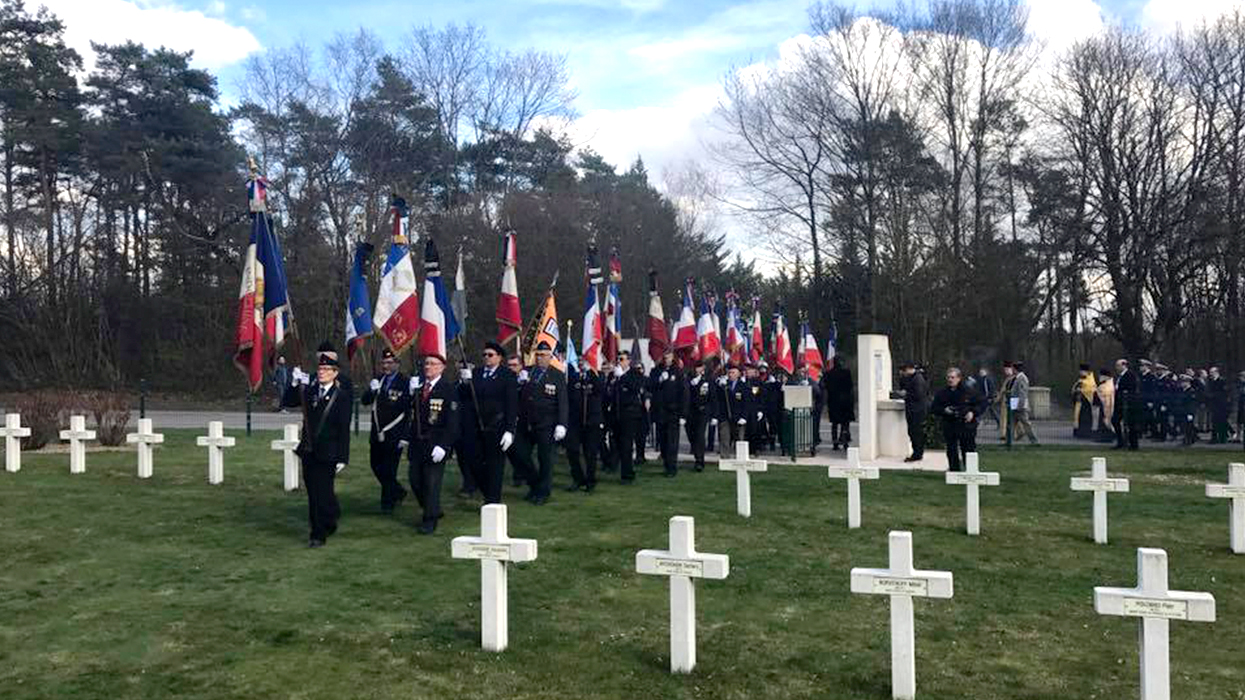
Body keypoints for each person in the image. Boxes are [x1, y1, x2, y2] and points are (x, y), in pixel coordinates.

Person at [290, 342, 352, 548]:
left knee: (322, 492)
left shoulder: (341, 396)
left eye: (327, 369)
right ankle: (324, 523)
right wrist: (293, 383)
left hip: (328, 452)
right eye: (320, 369)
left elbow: (344, 428)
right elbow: (288, 402)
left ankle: (318, 534)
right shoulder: (309, 391)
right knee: (312, 492)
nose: (322, 372)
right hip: (309, 450)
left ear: (335, 373)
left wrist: (343, 457)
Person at [407, 353, 460, 534]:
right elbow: (413, 416)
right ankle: (434, 508)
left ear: (442, 367)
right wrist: (410, 394)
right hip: (417, 444)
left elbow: (452, 421)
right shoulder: (419, 388)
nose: (428, 367)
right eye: (426, 363)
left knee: (431, 483)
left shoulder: (448, 389)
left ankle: (429, 520)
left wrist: (444, 446)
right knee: (415, 480)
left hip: (435, 443)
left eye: (432, 364)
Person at [462, 341, 517, 504]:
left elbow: (512, 404)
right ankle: (487, 490)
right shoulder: (477, 373)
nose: (486, 357)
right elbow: (465, 398)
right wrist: (465, 383)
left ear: (499, 357)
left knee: (495, 465)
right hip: (477, 426)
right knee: (474, 461)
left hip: (497, 425)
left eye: (490, 355)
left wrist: (510, 430)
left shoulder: (507, 375)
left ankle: (492, 499)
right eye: (484, 355)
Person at [512, 341, 568, 504]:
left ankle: (543, 492)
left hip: (547, 423)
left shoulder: (557, 375)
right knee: (521, 454)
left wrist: (562, 424)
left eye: (543, 355)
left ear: (550, 357)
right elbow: (517, 396)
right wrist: (519, 382)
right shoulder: (528, 372)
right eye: (537, 355)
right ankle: (535, 484)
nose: (539, 358)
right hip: (527, 422)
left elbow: (563, 401)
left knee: (545, 460)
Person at [359, 348, 411, 514]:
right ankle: (398, 491)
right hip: (377, 433)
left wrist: (405, 436)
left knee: (389, 469)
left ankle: (387, 504)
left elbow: (409, 411)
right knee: (376, 466)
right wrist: (371, 390)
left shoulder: (405, 382)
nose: (386, 366)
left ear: (397, 364)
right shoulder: (378, 380)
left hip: (394, 434)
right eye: (383, 363)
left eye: (389, 363)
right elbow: (365, 401)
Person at [930, 367, 987, 472]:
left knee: (968, 449)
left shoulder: (969, 391)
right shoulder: (942, 393)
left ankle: (971, 470)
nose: (950, 380)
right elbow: (934, 408)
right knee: (951, 450)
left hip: (966, 425)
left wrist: (973, 412)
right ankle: (954, 470)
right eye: (948, 377)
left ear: (959, 378)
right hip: (950, 424)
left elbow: (982, 403)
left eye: (952, 377)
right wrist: (944, 410)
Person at [648, 349, 689, 477]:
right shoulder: (656, 371)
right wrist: (659, 380)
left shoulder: (678, 372)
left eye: (669, 357)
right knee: (663, 441)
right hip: (660, 412)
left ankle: (672, 468)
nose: (667, 359)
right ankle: (666, 464)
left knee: (672, 441)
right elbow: (649, 387)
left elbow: (684, 394)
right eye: (665, 357)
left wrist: (683, 414)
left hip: (673, 412)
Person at [565, 358, 604, 492]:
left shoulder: (597, 376)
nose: (582, 364)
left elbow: (600, 390)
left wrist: (591, 373)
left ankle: (590, 481)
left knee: (590, 453)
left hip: (591, 420)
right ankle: (578, 478)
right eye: (580, 361)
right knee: (572, 450)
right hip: (575, 421)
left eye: (585, 361)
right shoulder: (574, 377)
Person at [610, 349, 647, 484]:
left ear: (628, 361)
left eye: (622, 359)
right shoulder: (615, 375)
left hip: (630, 414)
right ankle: (615, 467)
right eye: (618, 359)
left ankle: (627, 475)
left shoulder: (634, 373)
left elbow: (636, 386)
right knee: (617, 444)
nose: (619, 362)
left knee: (626, 445)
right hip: (617, 414)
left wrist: (623, 377)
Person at [685, 358, 715, 471]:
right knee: (691, 434)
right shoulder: (689, 378)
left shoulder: (708, 380)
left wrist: (714, 415)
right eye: (697, 367)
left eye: (701, 367)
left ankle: (699, 461)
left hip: (703, 411)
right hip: (690, 411)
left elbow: (713, 397)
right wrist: (693, 384)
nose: (699, 369)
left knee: (699, 435)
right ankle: (696, 452)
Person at [896, 362, 929, 462]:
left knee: (916, 432)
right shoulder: (912, 378)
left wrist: (906, 394)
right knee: (913, 432)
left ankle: (917, 454)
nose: (904, 373)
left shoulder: (917, 379)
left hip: (917, 410)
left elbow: (918, 395)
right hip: (913, 409)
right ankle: (917, 452)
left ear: (909, 369)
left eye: (905, 371)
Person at [505, 354, 529, 487]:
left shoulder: (524, 380)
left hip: (523, 420)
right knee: (510, 451)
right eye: (509, 365)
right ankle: (518, 474)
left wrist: (525, 384)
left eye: (514, 365)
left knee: (522, 450)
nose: (512, 368)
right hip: (509, 419)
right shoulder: (506, 380)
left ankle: (522, 475)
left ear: (521, 366)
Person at [821, 356, 854, 450]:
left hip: (833, 401)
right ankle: (844, 441)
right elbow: (850, 386)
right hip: (845, 401)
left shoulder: (828, 374)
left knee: (834, 423)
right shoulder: (846, 373)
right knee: (845, 423)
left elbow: (826, 386)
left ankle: (835, 442)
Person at [1005, 362, 1039, 445]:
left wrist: (1020, 406)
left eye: (1013, 368)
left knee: (1026, 423)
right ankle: (1008, 441)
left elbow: (1022, 393)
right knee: (1011, 424)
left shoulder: (1022, 378)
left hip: (1019, 406)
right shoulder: (1017, 378)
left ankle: (1034, 440)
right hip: (1014, 405)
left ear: (1015, 369)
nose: (1012, 370)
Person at [1112, 358, 1140, 451]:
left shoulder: (1130, 376)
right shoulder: (1120, 376)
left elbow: (1131, 389)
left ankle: (1133, 445)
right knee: (1115, 421)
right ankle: (1120, 441)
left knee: (1131, 424)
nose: (1117, 367)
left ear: (1124, 365)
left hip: (1128, 404)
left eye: (1118, 365)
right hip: (1120, 403)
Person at [1072, 364, 1097, 439]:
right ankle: (1079, 431)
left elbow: (1091, 390)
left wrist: (1081, 390)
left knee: (1085, 417)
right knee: (1079, 417)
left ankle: (1085, 432)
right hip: (1080, 402)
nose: (1080, 373)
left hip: (1086, 403)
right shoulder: (1081, 379)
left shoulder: (1090, 380)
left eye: (1082, 371)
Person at [1207, 366, 1230, 444]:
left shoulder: (1222, 381)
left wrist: (1213, 395)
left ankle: (1222, 438)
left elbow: (1224, 393)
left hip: (1222, 405)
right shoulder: (1210, 381)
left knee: (1222, 422)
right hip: (1214, 405)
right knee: (1214, 422)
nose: (1210, 374)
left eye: (1212, 372)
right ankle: (1214, 438)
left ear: (1216, 372)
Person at [1095, 368, 1115, 440]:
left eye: (1101, 376)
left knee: (1105, 420)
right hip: (1104, 405)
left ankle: (1106, 436)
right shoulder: (1106, 384)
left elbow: (1104, 394)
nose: (1099, 377)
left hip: (1106, 406)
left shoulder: (1107, 385)